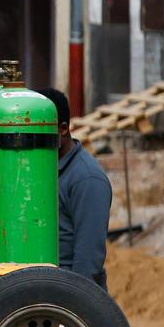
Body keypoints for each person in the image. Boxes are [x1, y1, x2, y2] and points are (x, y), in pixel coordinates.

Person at [37, 88, 112, 288]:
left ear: (62, 129)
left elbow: (87, 263)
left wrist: (69, 301)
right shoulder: (40, 170)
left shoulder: (87, 179)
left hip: (65, 295)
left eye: (39, 131)